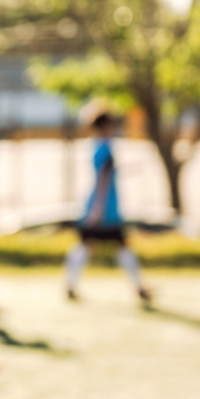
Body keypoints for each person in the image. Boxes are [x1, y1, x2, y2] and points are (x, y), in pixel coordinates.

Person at [64, 106, 151, 305]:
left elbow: (106, 173)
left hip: (100, 206)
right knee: (106, 246)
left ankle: (71, 285)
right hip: (105, 209)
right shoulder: (105, 147)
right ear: (105, 125)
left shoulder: (96, 145)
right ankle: (138, 287)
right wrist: (98, 208)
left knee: (94, 246)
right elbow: (103, 178)